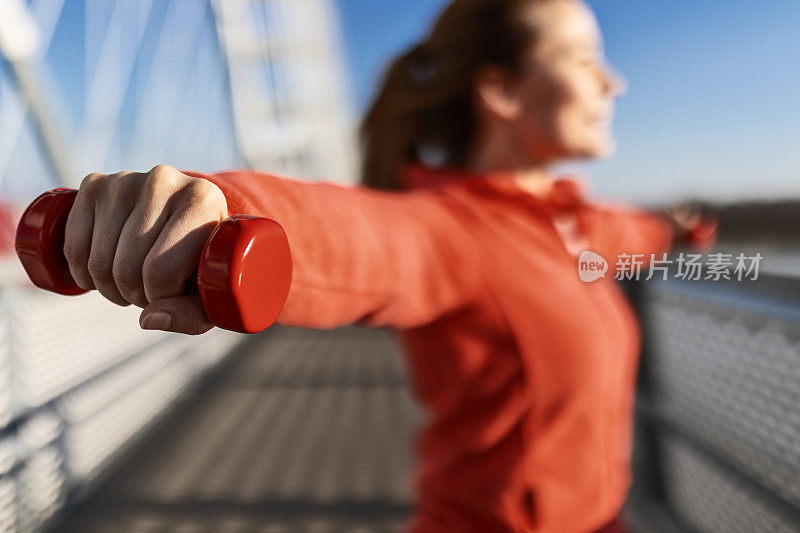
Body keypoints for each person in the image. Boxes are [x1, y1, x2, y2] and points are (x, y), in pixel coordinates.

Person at [61, 0, 715, 531]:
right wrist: (221, 213)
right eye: (584, 58)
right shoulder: (453, 229)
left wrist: (683, 232)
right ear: (502, 90)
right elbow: (364, 236)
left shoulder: (575, 225)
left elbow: (637, 231)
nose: (613, 80)